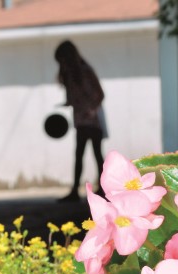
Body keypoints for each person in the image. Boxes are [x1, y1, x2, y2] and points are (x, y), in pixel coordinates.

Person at [54, 40, 106, 202]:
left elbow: (99, 94)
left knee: (96, 154)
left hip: (92, 121)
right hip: (80, 121)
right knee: (79, 154)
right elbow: (74, 98)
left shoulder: (85, 71)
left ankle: (103, 188)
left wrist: (91, 109)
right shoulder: (70, 76)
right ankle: (75, 190)